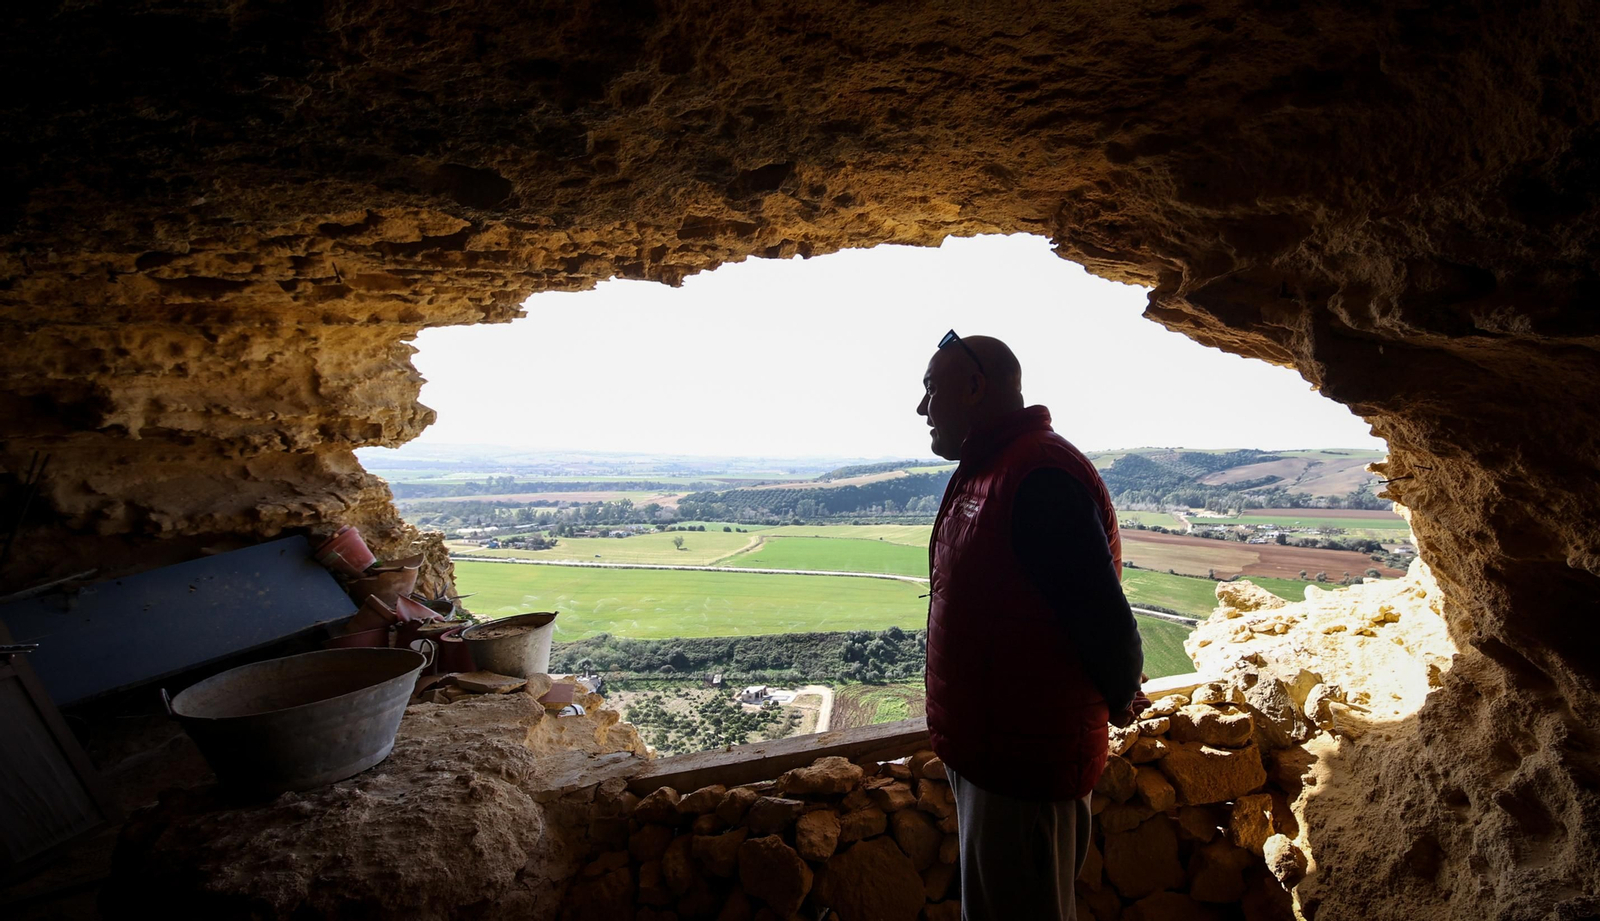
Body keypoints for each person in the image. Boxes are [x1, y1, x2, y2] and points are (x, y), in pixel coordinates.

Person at [917, 330, 1146, 921]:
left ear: (973, 387)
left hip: (1026, 764)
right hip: (997, 752)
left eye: (931, 390)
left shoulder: (1037, 475)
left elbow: (1100, 618)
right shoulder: (997, 467)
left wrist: (1120, 693)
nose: (921, 409)